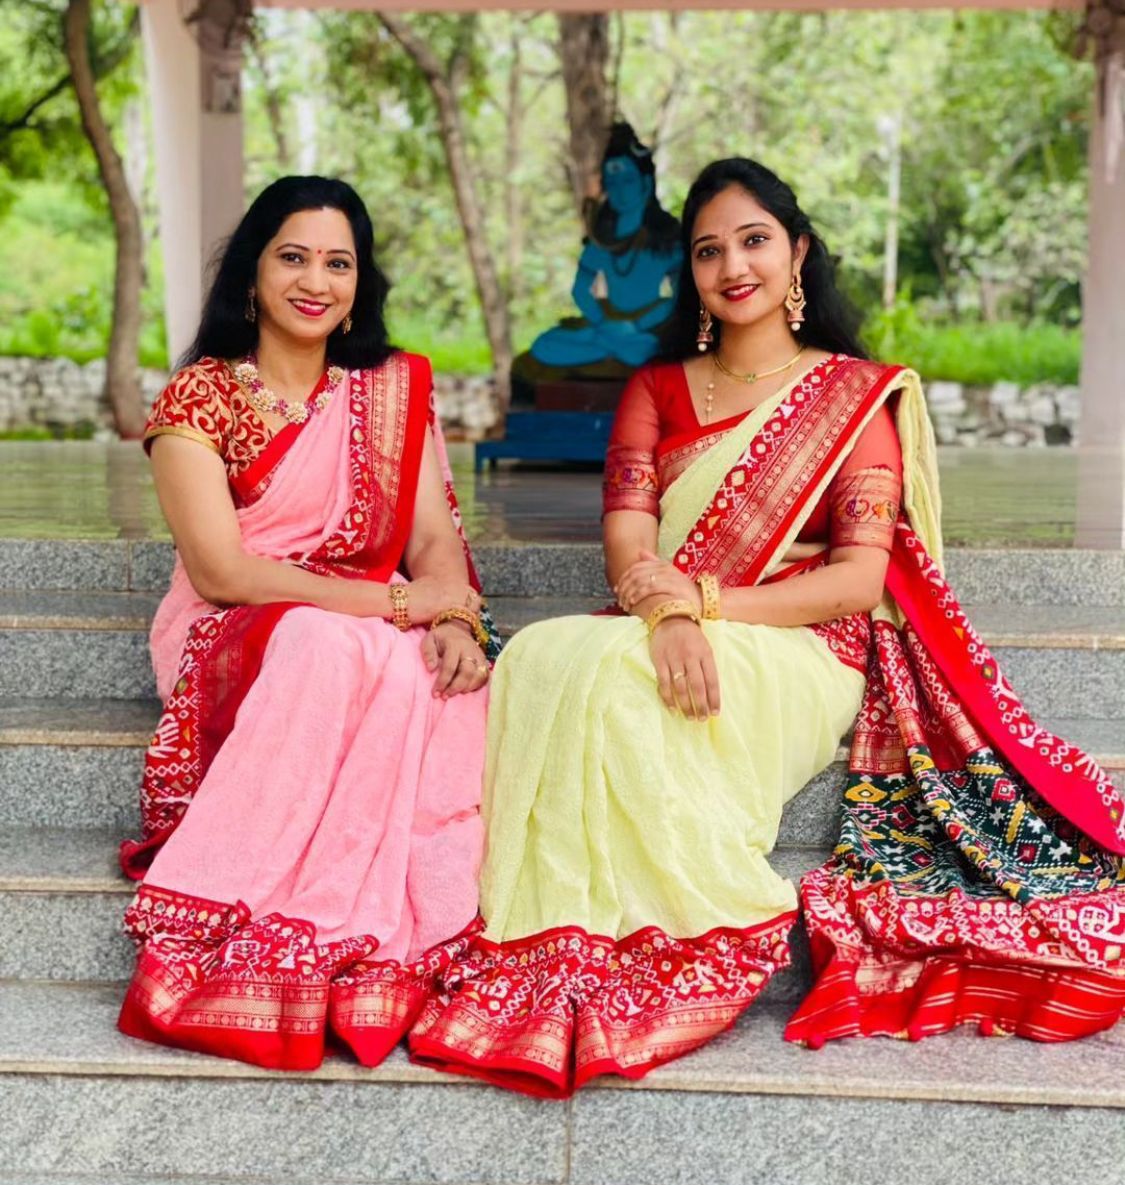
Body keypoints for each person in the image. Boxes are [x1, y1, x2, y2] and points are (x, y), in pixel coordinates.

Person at [408, 158, 1125, 1097]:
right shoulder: (656, 388)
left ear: (797, 253)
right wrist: (667, 608)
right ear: (690, 272)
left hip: (798, 643)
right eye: (708, 251)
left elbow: (856, 580)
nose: (732, 266)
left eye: (753, 241)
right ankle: (550, 931)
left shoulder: (854, 396)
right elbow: (627, 547)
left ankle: (682, 934)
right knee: (543, 651)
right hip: (659, 615)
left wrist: (699, 606)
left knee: (620, 682)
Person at [117, 176, 496, 1072]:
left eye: (338, 263)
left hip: (367, 619)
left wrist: (453, 618)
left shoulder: (390, 390)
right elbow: (223, 571)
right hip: (236, 626)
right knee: (331, 642)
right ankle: (257, 920)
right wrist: (401, 606)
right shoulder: (199, 397)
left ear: (360, 283)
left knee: (419, 671)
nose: (315, 281)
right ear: (252, 273)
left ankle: (374, 932)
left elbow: (433, 540)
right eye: (293, 257)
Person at [511, 122, 681, 397]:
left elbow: (679, 296)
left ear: (646, 183)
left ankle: (620, 348)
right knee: (546, 344)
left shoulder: (666, 239)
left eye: (627, 181)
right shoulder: (601, 239)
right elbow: (581, 290)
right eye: (612, 183)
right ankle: (614, 349)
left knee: (661, 350)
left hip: (647, 328)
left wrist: (635, 326)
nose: (620, 191)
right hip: (605, 327)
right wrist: (605, 324)